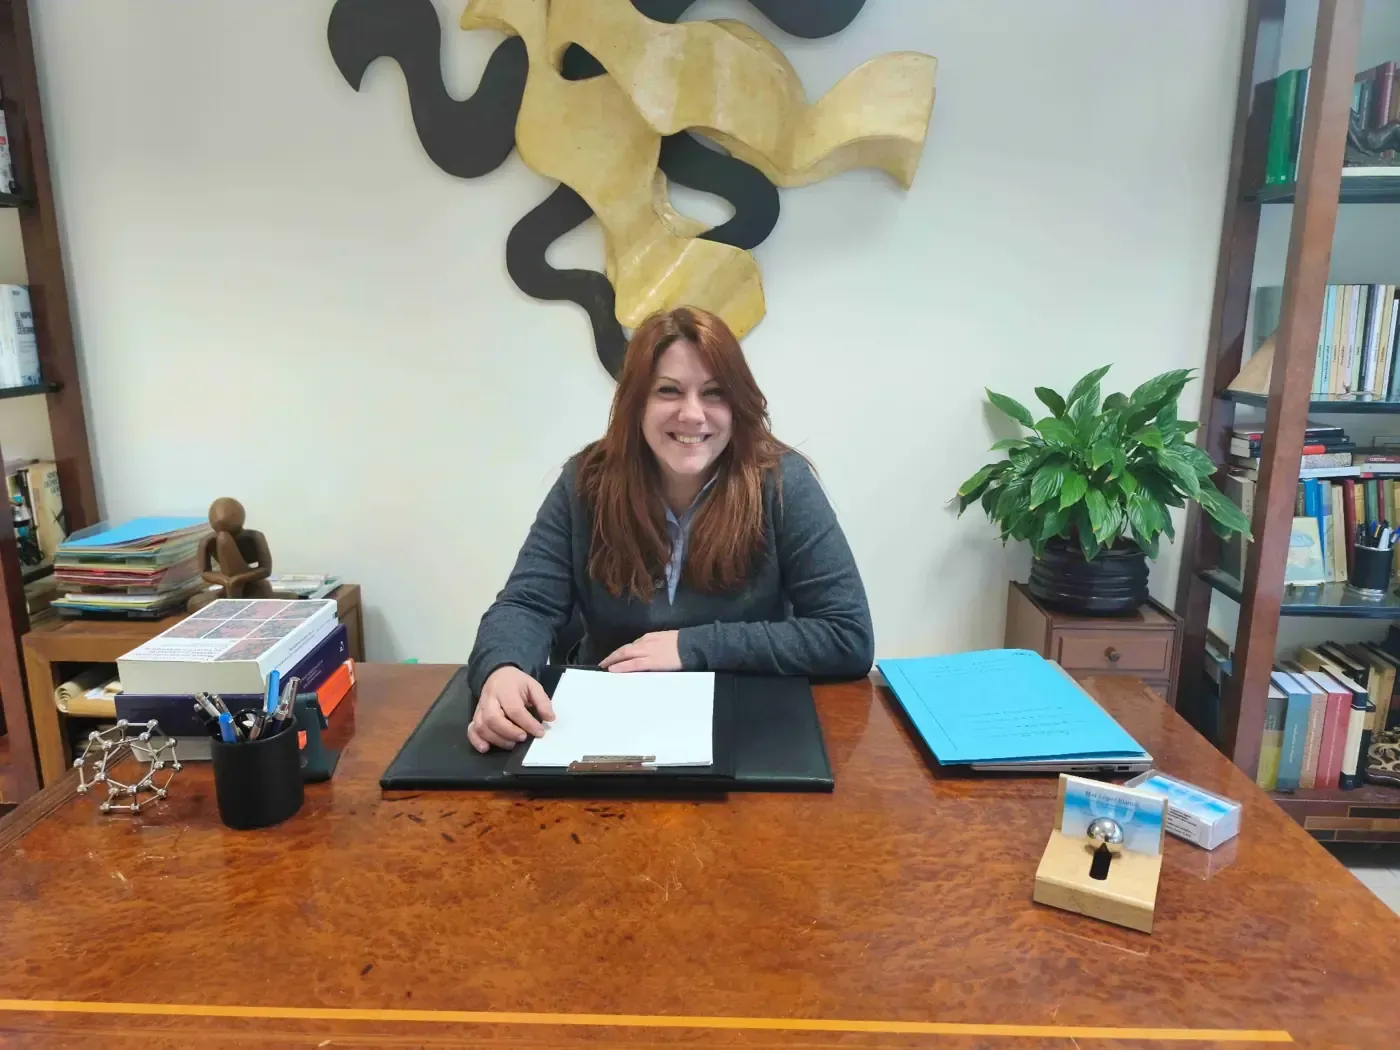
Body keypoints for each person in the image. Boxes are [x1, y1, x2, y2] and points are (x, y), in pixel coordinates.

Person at [465, 306, 874, 753]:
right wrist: (502, 669)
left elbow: (845, 634)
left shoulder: (781, 484)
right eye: (668, 391)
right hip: (603, 727)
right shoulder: (586, 482)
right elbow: (526, 604)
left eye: (714, 393)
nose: (693, 414)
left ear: (737, 405)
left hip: (746, 725)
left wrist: (693, 647)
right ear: (636, 403)